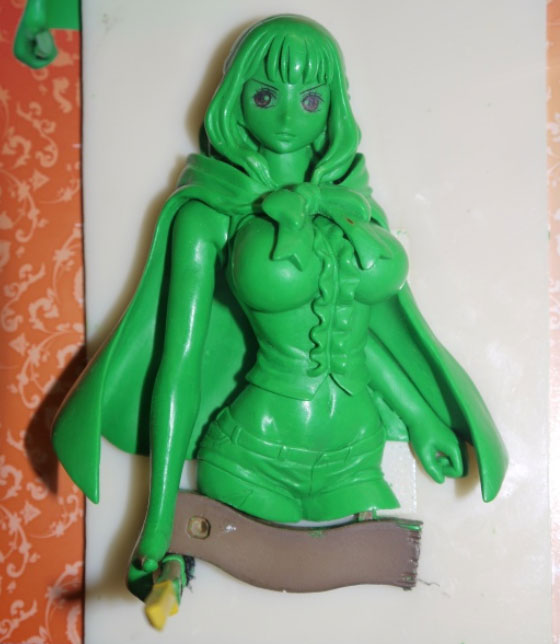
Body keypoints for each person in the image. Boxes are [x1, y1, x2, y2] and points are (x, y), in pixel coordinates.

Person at [53, 15, 507, 574]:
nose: (289, 117)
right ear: (235, 99)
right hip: (251, 454)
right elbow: (179, 369)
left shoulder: (353, 206)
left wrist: (420, 416)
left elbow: (357, 337)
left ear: (333, 106)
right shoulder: (209, 213)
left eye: (311, 99)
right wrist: (158, 516)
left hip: (356, 455)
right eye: (266, 95)